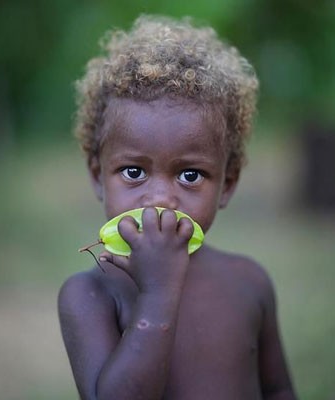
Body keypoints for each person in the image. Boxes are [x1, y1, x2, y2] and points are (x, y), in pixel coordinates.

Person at [58, 15, 296, 400]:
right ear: (98, 176)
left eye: (189, 176)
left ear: (227, 184)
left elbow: (279, 390)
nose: (160, 199)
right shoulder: (90, 295)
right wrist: (158, 294)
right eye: (134, 171)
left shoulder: (249, 283)